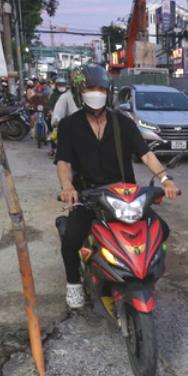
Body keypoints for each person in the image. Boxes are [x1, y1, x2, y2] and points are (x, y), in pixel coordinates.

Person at [55, 64, 179, 308]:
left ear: (108, 91)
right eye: (91, 88)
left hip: (125, 195)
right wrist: (68, 186)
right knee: (71, 238)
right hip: (87, 194)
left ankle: (141, 270)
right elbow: (63, 161)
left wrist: (166, 179)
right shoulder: (69, 125)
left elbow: (145, 154)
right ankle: (74, 283)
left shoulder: (123, 123)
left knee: (160, 229)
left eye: (101, 88)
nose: (97, 92)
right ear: (79, 91)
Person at [45, 78, 68, 157]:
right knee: (53, 131)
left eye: (63, 85)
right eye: (60, 85)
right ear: (56, 86)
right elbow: (50, 104)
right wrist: (51, 111)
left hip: (67, 116)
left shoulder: (70, 94)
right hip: (56, 116)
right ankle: (52, 149)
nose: (62, 86)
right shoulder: (53, 94)